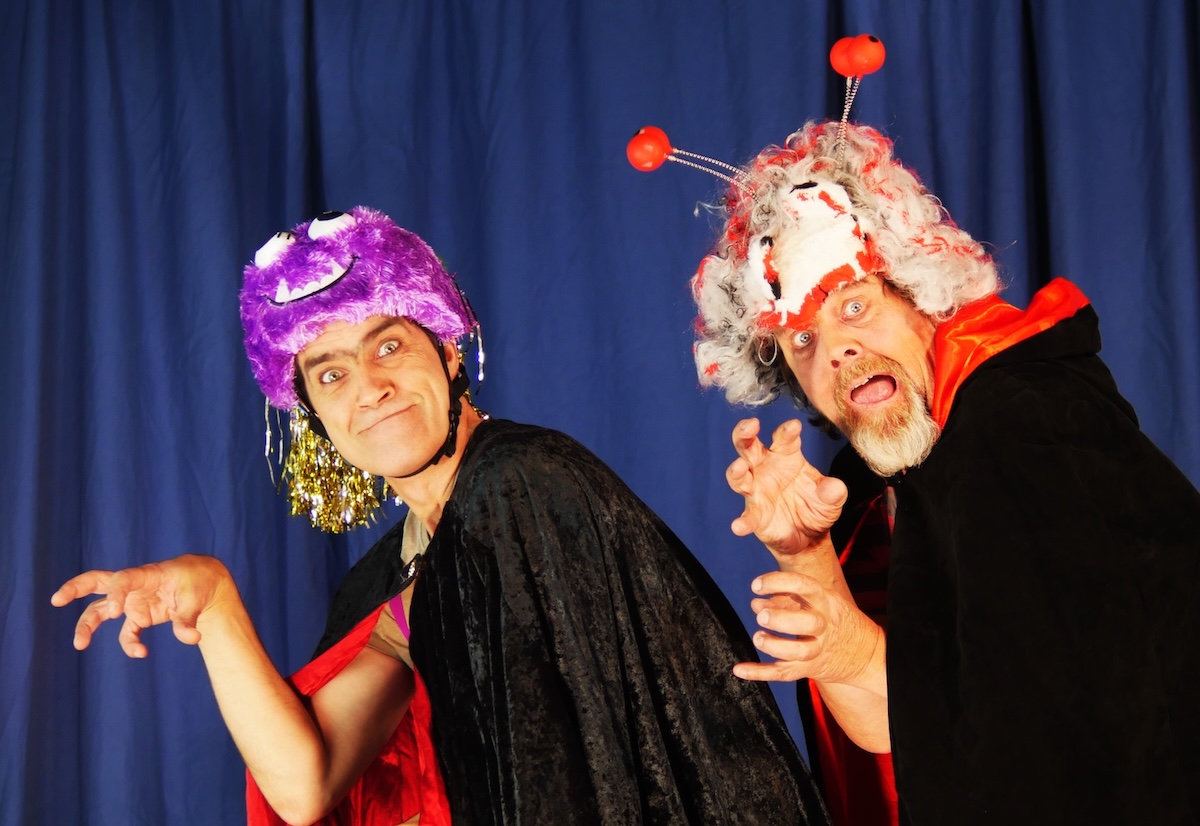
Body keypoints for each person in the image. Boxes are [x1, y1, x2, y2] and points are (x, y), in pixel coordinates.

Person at [53, 206, 830, 825]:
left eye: (388, 346)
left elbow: (569, 779)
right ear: (317, 417)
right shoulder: (403, 568)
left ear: (448, 352)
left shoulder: (518, 486)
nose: (370, 387)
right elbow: (306, 782)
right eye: (331, 374)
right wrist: (215, 600)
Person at [687, 120, 1200, 824]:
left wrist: (856, 652)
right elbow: (893, 734)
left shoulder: (1024, 424)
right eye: (802, 339)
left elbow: (1054, 749)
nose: (835, 350)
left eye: (855, 305)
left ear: (922, 292)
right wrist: (807, 554)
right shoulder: (878, 480)